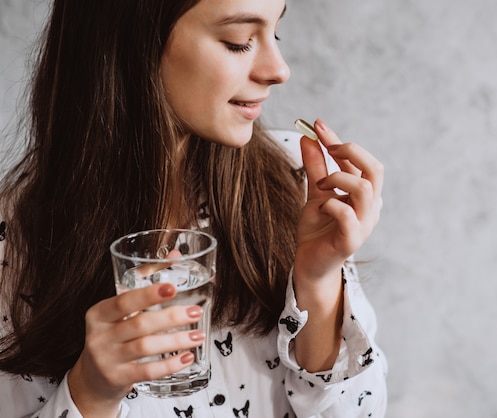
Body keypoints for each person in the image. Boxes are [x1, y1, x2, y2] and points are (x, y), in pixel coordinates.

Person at [0, 0, 387, 416]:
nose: (279, 69)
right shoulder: (15, 238)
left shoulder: (299, 181)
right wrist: (91, 393)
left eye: (275, 33)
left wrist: (319, 280)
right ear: (132, 42)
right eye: (238, 41)